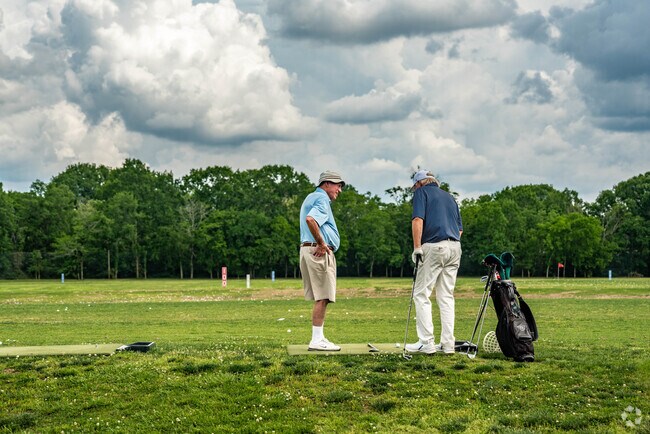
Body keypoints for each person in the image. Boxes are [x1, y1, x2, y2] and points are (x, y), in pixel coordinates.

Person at [406, 170, 463, 355]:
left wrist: (417, 247)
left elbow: (417, 220)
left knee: (421, 294)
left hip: (434, 245)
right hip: (455, 247)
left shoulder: (422, 193)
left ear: (420, 183)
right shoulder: (449, 197)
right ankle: (448, 345)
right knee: (446, 297)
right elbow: (460, 229)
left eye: (414, 186)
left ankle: (426, 343)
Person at [299, 170, 345, 351]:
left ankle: (319, 338)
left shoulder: (312, 197)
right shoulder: (321, 199)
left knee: (321, 297)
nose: (339, 190)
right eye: (337, 185)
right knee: (324, 297)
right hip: (317, 251)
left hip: (308, 249)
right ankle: (317, 341)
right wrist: (321, 243)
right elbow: (311, 220)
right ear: (326, 184)